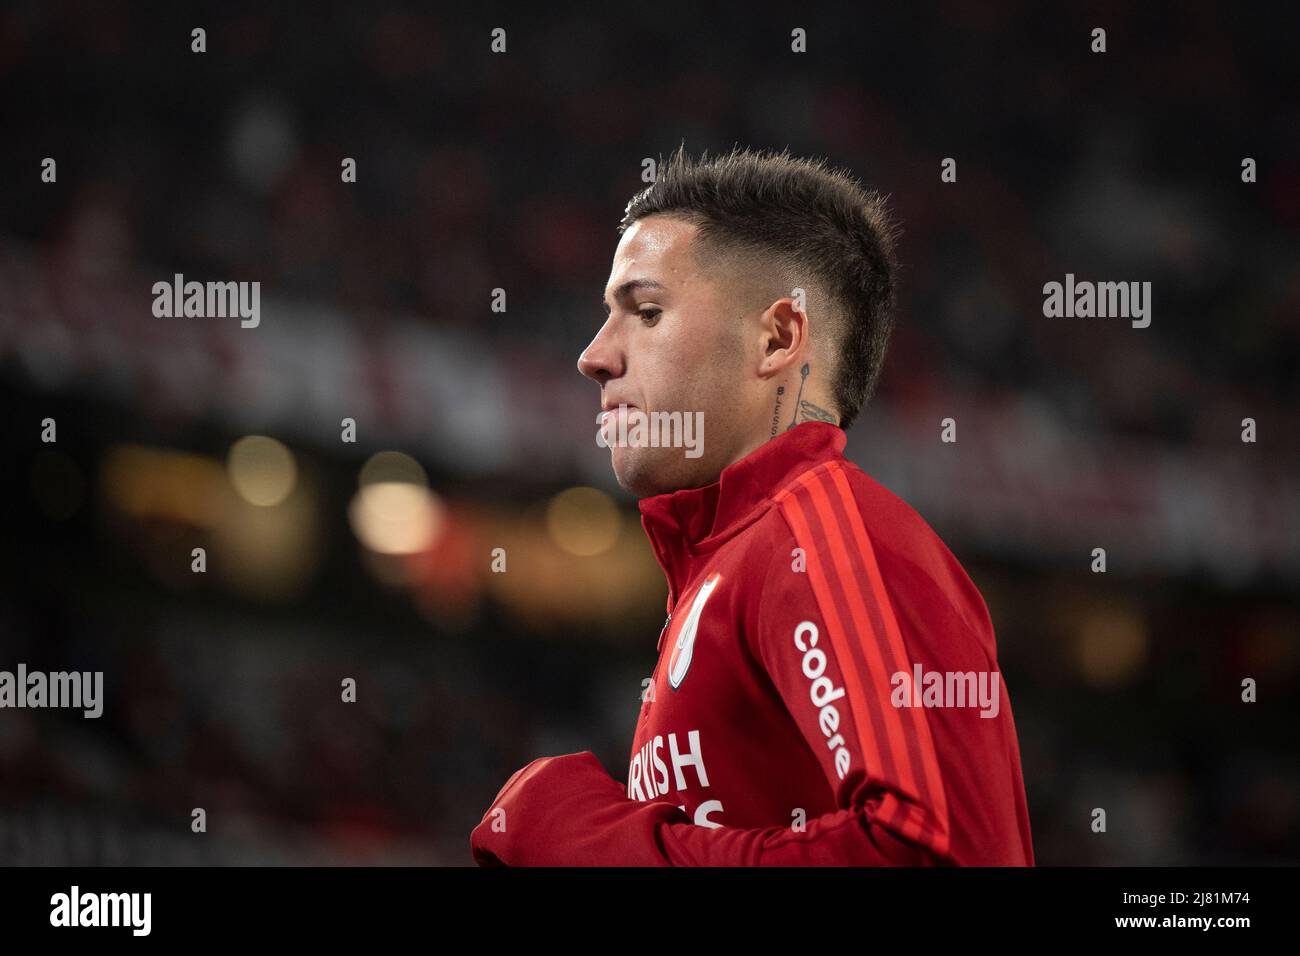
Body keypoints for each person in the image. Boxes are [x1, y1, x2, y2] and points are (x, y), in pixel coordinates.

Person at [471, 146, 1034, 865]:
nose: (594, 355)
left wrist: (596, 846)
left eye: (644, 311)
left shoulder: (822, 533)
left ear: (777, 337)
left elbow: (931, 851)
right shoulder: (730, 563)